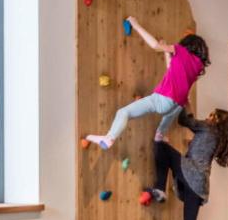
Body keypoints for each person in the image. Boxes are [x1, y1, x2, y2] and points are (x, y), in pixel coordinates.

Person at [85, 17, 210, 148]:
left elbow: (155, 46)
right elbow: (171, 70)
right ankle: (160, 134)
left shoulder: (181, 50)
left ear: (187, 44)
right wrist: (166, 52)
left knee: (124, 113)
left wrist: (136, 25)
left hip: (162, 99)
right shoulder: (198, 67)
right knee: (173, 110)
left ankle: (109, 138)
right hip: (175, 105)